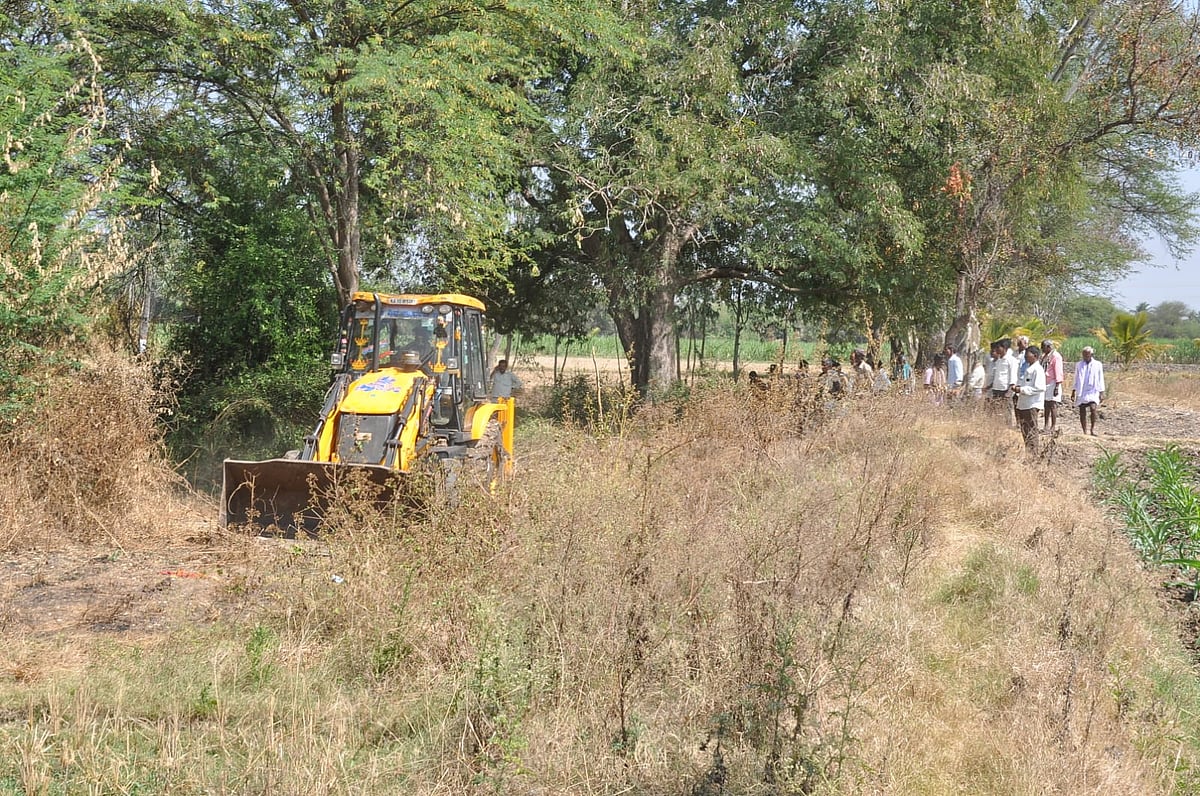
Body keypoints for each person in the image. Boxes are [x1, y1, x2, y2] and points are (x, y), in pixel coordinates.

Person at [1012, 345, 1046, 454]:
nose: (1026, 356)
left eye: (1028, 354)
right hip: (1024, 403)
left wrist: (1021, 389)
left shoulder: (1038, 370)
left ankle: (1034, 454)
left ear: (1035, 356)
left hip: (1032, 404)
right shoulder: (1029, 368)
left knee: (1031, 429)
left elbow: (1039, 388)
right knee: (1025, 430)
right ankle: (1029, 452)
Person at [1070, 346, 1105, 436]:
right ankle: (1084, 431)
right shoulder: (1079, 364)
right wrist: (1073, 391)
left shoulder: (1098, 364)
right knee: (1082, 411)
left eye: (1087, 355)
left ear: (1091, 355)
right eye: (1084, 355)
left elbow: (1101, 378)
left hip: (1093, 390)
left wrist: (1101, 392)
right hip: (1082, 391)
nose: (1085, 357)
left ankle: (1092, 429)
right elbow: (1076, 377)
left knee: (1093, 409)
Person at [1040, 339, 1064, 435]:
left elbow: (1058, 371)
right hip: (1045, 382)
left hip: (1053, 383)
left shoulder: (1056, 356)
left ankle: (1053, 426)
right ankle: (1046, 425)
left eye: (1043, 347)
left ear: (1049, 347)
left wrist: (1057, 386)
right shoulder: (1045, 356)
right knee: (1046, 405)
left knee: (1053, 405)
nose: (1042, 349)